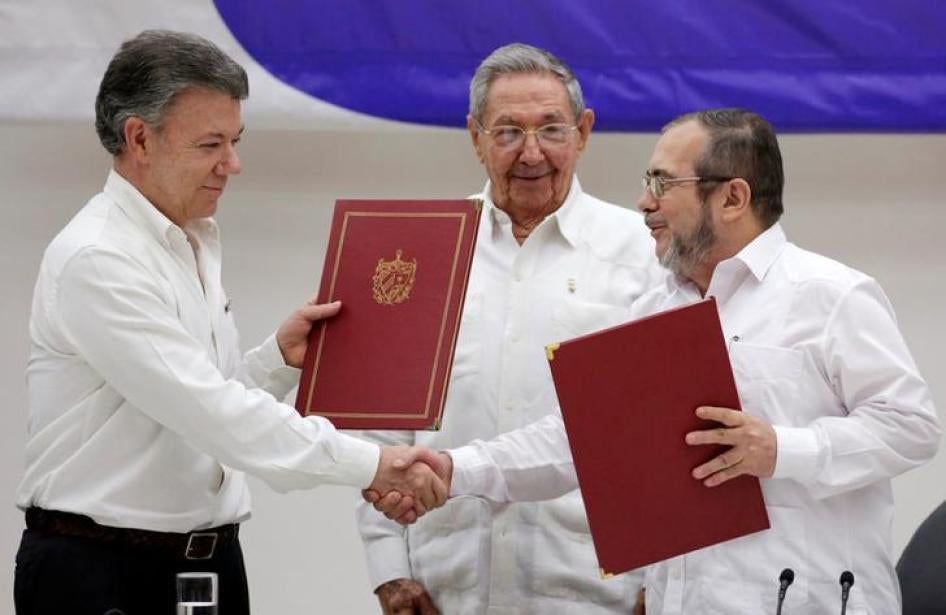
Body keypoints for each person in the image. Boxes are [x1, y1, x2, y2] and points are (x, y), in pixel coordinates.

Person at [372, 108, 941, 613]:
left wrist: (781, 449)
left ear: (733, 198)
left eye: (663, 183)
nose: (644, 202)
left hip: (807, 598)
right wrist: (455, 469)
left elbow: (912, 426)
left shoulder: (831, 294)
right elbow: (579, 442)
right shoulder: (653, 308)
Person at [14, 29, 446, 615]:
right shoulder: (100, 257)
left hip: (203, 565)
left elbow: (190, 412)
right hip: (104, 576)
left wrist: (274, 361)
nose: (233, 164)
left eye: (235, 140)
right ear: (139, 138)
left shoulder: (190, 238)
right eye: (211, 144)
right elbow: (210, 413)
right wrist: (373, 464)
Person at [355, 43, 662, 614]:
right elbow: (383, 434)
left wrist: (661, 582)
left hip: (597, 592)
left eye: (551, 129)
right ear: (475, 137)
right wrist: (388, 569)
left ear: (584, 131)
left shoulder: (644, 254)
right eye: (507, 132)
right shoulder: (422, 250)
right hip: (444, 587)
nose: (531, 153)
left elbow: (662, 431)